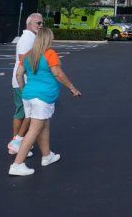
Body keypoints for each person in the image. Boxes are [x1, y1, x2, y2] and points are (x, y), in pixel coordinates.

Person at [10, 28, 82, 176]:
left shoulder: (28, 55)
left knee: (44, 125)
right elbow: (57, 73)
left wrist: (24, 90)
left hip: (29, 95)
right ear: (48, 39)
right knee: (34, 130)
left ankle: (47, 156)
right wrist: (72, 88)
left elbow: (19, 74)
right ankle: (17, 164)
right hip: (43, 97)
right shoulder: (50, 54)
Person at [8, 13, 43, 156]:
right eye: (38, 23)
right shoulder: (26, 39)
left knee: (27, 112)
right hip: (23, 82)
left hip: (27, 81)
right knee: (23, 112)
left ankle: (20, 142)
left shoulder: (32, 37)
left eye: (42, 23)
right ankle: (15, 144)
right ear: (29, 24)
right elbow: (24, 61)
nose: (41, 25)